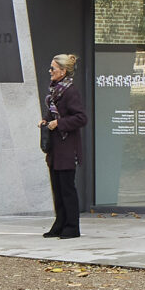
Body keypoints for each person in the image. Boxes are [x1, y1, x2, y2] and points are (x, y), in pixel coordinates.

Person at [37, 53, 85, 239]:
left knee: (67, 189)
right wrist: (45, 120)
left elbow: (81, 118)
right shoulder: (54, 91)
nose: (50, 71)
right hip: (55, 149)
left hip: (67, 148)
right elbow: (52, 113)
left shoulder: (70, 91)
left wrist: (60, 123)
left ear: (63, 71)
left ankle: (72, 227)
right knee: (57, 189)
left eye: (53, 68)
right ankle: (59, 224)